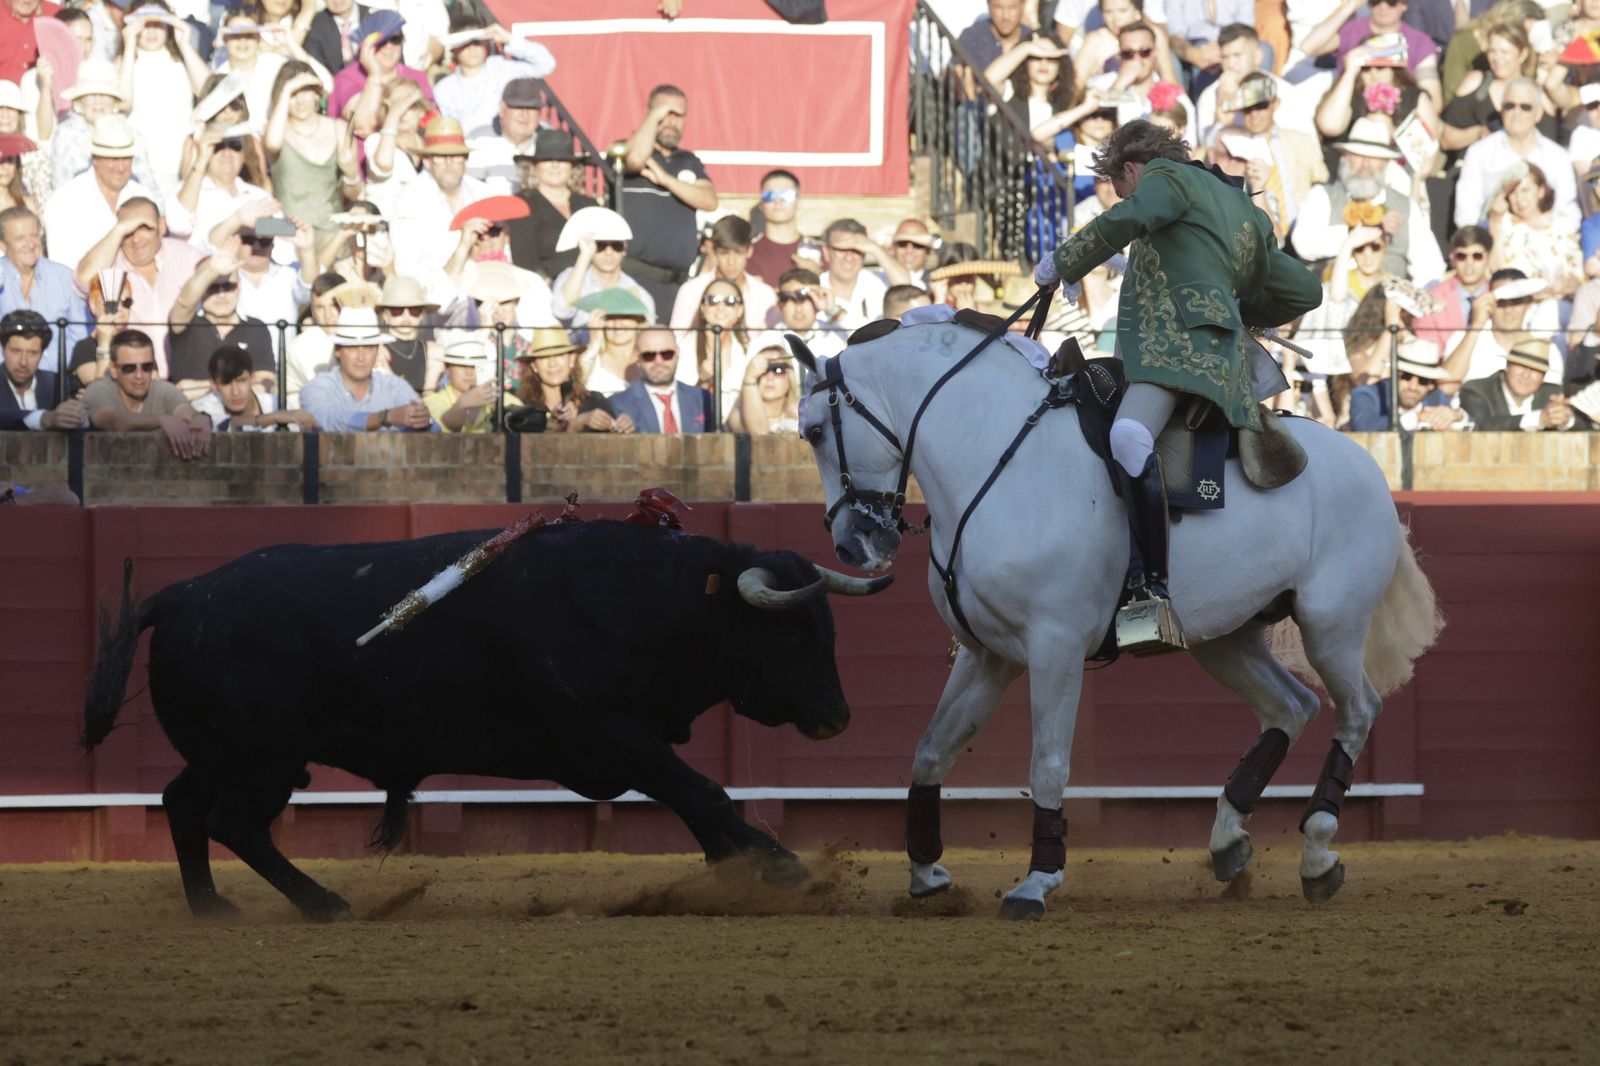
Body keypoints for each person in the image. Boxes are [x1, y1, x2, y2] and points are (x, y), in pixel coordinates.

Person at [1035, 119, 1321, 613]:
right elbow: (1304, 290)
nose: (1124, 200)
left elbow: (1140, 214)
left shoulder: (1165, 177)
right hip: (1222, 365)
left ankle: (1150, 585)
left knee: (1127, 436)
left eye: (1121, 190)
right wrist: (1229, 308)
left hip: (1177, 352)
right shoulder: (1241, 207)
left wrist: (1065, 261)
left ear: (1131, 168)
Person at [1290, 115, 1445, 285]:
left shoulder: (1406, 207)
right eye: (1358, 156)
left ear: (1386, 163)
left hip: (1384, 305)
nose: (1365, 165)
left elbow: (1431, 268)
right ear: (1345, 158)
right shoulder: (1321, 196)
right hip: (1329, 304)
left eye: (1374, 158)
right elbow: (1304, 245)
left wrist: (1405, 306)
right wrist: (1363, 230)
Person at [72, 196, 202, 378]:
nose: (136, 239)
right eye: (129, 231)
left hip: (187, 380)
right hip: (134, 382)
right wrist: (119, 229)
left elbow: (219, 273)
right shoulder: (111, 265)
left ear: (161, 226)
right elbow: (84, 280)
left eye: (145, 228)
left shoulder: (184, 255)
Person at [620, 84, 718, 313]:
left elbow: (709, 200)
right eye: (666, 114)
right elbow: (634, 159)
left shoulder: (688, 160)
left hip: (679, 282)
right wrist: (654, 117)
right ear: (650, 114)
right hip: (636, 276)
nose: (673, 123)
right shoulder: (628, 150)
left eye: (679, 116)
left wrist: (666, 180)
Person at [40, 115, 155, 280]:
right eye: (114, 159)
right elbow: (63, 271)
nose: (121, 167)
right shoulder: (64, 201)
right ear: (95, 159)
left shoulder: (143, 196)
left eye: (126, 158)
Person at [1453, 78, 1575, 229]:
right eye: (1509, 106)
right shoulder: (1479, 153)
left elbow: (1569, 211)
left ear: (1538, 114)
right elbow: (1466, 215)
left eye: (1525, 107)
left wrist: (1547, 225)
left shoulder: (1558, 156)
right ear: (1501, 110)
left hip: (1546, 238)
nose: (1516, 113)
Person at [117, 3, 210, 198]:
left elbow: (207, 90)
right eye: (144, 24)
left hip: (181, 167)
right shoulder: (123, 62)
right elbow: (123, 101)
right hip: (140, 170)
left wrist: (185, 43)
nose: (151, 31)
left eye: (158, 23)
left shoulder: (182, 59)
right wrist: (129, 47)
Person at [167, 236, 278, 399]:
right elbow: (184, 303)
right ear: (200, 289)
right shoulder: (187, 325)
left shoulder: (256, 328)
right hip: (194, 419)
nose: (221, 294)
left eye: (228, 286)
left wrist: (208, 386)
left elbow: (266, 385)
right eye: (211, 287)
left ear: (239, 286)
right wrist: (210, 271)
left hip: (244, 421)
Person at [80, 328, 213, 458]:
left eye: (147, 367)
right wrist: (162, 420)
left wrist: (198, 420)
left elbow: (184, 411)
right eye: (129, 368)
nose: (139, 375)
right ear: (113, 369)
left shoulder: (163, 389)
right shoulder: (99, 389)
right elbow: (112, 421)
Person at [299, 305, 435, 430]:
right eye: (352, 347)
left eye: (369, 347)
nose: (361, 356)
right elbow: (330, 420)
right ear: (338, 351)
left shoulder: (395, 386)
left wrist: (422, 420)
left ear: (377, 350)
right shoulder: (315, 389)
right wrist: (385, 417)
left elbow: (433, 429)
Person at [265, 63, 359, 240]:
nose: (300, 101)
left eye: (306, 91)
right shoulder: (276, 131)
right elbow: (271, 144)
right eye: (293, 94)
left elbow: (354, 194)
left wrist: (351, 172)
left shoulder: (339, 130)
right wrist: (286, 90)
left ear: (317, 94)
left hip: (331, 232)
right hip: (288, 235)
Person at [1301, 0, 1443, 111]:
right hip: (1350, 111)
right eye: (1375, 0)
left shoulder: (1420, 42)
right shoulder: (1352, 30)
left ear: (1404, 4)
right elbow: (1308, 47)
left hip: (1398, 115)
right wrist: (1349, 7)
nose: (1382, 6)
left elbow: (1434, 101)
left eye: (1391, 1)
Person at [50, 58, 162, 198]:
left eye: (104, 94)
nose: (98, 101)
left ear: (114, 100)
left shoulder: (131, 135)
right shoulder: (66, 135)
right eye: (91, 95)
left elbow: (149, 186)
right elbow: (61, 187)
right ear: (80, 100)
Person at [430, 12, 553, 134]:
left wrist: (510, 39)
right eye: (465, 45)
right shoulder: (444, 89)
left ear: (486, 43)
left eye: (477, 43)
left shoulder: (501, 67)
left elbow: (546, 64)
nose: (472, 49)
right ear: (453, 49)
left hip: (508, 144)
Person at [1441, 269, 1562, 390]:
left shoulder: (1546, 349)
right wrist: (1476, 326)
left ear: (1528, 303)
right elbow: (1445, 388)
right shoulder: (1462, 338)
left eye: (1516, 301)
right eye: (1501, 302)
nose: (1508, 310)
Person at [0, 205, 86, 371]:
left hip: (59, 381)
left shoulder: (63, 276)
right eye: (20, 238)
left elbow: (79, 337)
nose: (30, 244)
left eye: (34, 236)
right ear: (2, 244)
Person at [506, 128, 596, 281]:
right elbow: (525, 262)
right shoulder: (523, 204)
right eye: (547, 159)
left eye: (562, 160)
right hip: (545, 289)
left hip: (593, 285)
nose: (555, 165)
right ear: (535, 165)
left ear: (572, 166)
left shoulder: (588, 205)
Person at [332, 10, 435, 141]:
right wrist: (374, 76)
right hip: (365, 157)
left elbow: (431, 122)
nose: (388, 47)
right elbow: (362, 124)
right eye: (381, 42)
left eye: (395, 40)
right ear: (366, 45)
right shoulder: (346, 78)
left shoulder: (417, 77)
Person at [1486, 163, 1582, 301]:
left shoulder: (1562, 224)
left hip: (1561, 302)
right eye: (1513, 192)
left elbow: (1578, 276)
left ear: (1541, 191)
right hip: (1520, 305)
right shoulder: (1504, 224)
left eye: (1525, 190)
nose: (1520, 199)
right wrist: (1495, 221)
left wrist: (1569, 285)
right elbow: (1496, 271)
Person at [550, 206, 656, 331]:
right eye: (601, 245)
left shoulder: (639, 294)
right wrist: (585, 255)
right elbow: (561, 311)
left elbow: (645, 336)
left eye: (616, 245)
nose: (609, 252)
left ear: (624, 249)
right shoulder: (572, 276)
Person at [669, 216, 777, 333]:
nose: (731, 262)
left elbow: (774, 342)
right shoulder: (691, 291)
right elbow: (678, 339)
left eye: (738, 253)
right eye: (724, 253)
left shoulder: (765, 294)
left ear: (749, 251)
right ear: (714, 251)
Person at [1458, 334, 1589, 429]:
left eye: (1535, 370)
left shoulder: (1552, 394)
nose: (1526, 375)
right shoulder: (1476, 390)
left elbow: (1585, 427)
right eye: (1520, 366)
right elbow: (1481, 425)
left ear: (1543, 377)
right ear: (1507, 366)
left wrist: (1565, 420)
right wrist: (1538, 419)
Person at [512, 325, 622, 433]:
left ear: (571, 360)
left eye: (559, 355)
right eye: (544, 357)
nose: (552, 363)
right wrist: (576, 424)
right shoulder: (523, 410)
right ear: (534, 366)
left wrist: (622, 426)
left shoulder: (595, 402)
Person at [1346, 335, 1467, 430]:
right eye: (1406, 376)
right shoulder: (1369, 394)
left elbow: (1474, 422)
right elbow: (1364, 426)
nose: (1413, 386)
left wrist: (1457, 416)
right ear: (1392, 375)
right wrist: (1416, 419)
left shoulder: (1436, 397)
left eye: (1423, 380)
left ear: (1430, 385)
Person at [609, 324, 711, 434]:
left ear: (677, 354)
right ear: (638, 358)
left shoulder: (703, 399)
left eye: (667, 354)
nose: (659, 361)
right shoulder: (618, 404)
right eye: (649, 355)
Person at [193, 342, 317, 431]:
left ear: (253, 378)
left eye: (241, 381)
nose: (235, 392)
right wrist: (273, 417)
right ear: (213, 384)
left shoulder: (275, 403)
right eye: (226, 383)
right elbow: (225, 426)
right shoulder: (201, 408)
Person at [0, 309, 86, 429]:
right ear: (3, 350)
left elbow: (85, 421)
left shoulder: (58, 384)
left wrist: (78, 415)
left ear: (42, 354)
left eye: (32, 353)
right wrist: (45, 418)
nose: (23, 362)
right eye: (16, 351)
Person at [1411, 225, 1492, 348]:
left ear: (1488, 257)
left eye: (1477, 256)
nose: (1469, 263)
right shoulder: (1431, 300)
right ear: (1452, 258)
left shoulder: (1500, 296)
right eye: (1461, 256)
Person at [424, 331, 521, 432]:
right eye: (462, 366)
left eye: (475, 366)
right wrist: (461, 405)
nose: (469, 373)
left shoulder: (505, 400)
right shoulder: (431, 402)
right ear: (447, 367)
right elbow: (441, 429)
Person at [749, 267, 846, 361]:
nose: (798, 308)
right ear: (780, 304)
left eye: (806, 298)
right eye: (787, 298)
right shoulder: (763, 343)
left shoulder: (838, 336)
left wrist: (833, 310)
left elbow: (860, 343)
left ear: (818, 300)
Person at [686, 276, 750, 418]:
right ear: (703, 308)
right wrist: (702, 380)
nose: (721, 307)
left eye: (730, 301)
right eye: (713, 300)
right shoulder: (681, 346)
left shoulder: (750, 350)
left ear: (740, 310)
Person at [283, 270, 345, 406]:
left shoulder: (361, 331)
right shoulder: (306, 343)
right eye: (320, 307)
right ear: (312, 310)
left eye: (335, 306)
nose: (328, 314)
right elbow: (332, 393)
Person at [573, 286, 648, 396]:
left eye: (624, 316)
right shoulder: (591, 360)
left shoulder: (652, 358)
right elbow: (574, 388)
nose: (617, 324)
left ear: (639, 321)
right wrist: (594, 343)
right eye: (611, 317)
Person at [65, 268, 132, 391]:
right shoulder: (84, 348)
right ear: (92, 304)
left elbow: (152, 385)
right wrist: (104, 343)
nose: (121, 309)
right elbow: (101, 391)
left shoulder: (138, 343)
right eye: (113, 302)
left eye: (126, 302)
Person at [374, 273, 441, 395]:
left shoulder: (433, 352)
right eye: (397, 311)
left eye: (414, 311)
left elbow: (429, 397)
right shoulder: (375, 350)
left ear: (421, 315)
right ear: (385, 315)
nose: (406, 316)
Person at [818, 218, 890, 330]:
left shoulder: (879, 282)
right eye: (841, 249)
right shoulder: (815, 289)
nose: (849, 257)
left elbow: (909, 288)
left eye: (856, 250)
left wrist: (876, 249)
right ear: (826, 252)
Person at [745, 169, 803, 288]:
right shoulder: (746, 254)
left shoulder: (819, 252)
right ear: (761, 204)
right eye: (769, 195)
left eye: (786, 195)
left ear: (799, 202)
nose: (777, 201)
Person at [727, 345, 799, 436]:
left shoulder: (802, 410)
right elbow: (760, 434)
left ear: (790, 376)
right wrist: (749, 379)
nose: (769, 377)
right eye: (762, 370)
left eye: (778, 369)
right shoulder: (738, 412)